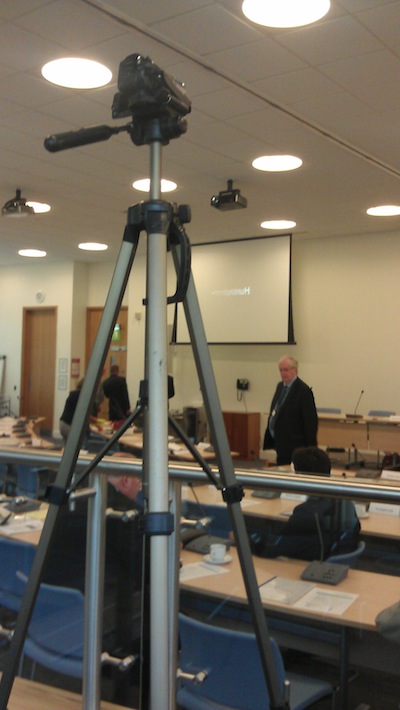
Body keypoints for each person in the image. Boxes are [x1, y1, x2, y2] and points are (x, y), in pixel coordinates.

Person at [247, 446, 361, 561]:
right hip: (329, 560)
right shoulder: (344, 502)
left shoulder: (306, 512)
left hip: (309, 565)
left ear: (300, 475)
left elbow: (274, 547)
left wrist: (246, 540)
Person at [263, 355, 318, 465]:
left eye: (286, 370)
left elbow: (310, 421)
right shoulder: (280, 386)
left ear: (295, 370)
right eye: (281, 370)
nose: (283, 373)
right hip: (280, 442)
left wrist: (310, 448)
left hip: (295, 444)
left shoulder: (303, 390)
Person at [59, 379, 84, 443]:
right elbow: (82, 412)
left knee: (67, 447)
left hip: (63, 423)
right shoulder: (81, 395)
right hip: (69, 425)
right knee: (75, 445)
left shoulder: (74, 393)